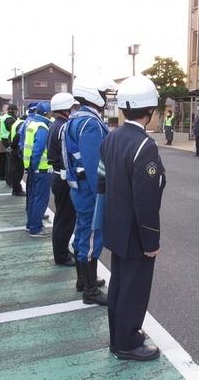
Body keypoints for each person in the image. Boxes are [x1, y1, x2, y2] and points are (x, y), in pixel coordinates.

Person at [98, 75, 166, 361]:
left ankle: (119, 338)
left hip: (115, 226)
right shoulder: (145, 146)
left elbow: (101, 180)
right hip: (136, 232)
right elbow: (147, 201)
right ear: (149, 110)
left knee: (119, 285)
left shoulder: (111, 137)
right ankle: (128, 343)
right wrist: (151, 240)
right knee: (134, 290)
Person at [62, 75, 113, 305]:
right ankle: (90, 291)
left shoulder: (74, 119)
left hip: (78, 187)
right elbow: (94, 167)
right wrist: (103, 195)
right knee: (92, 235)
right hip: (90, 189)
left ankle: (83, 280)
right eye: (102, 93)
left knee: (82, 233)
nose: (105, 97)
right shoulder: (90, 123)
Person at [47, 93, 78, 266]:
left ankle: (62, 252)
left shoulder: (55, 125)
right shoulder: (63, 127)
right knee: (65, 218)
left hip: (57, 176)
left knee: (62, 217)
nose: (74, 110)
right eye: (72, 107)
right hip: (63, 176)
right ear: (66, 109)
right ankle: (62, 255)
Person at [23, 102, 53, 237]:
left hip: (31, 167)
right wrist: (35, 165)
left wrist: (30, 167)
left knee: (32, 197)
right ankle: (36, 228)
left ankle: (30, 224)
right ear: (47, 113)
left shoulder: (31, 124)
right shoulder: (43, 127)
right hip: (41, 169)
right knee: (40, 199)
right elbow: (38, 150)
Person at [0, 104, 19, 185]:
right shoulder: (9, 119)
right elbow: (12, 128)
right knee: (11, 162)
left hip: (5, 139)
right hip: (8, 140)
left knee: (9, 161)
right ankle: (10, 180)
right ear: (14, 110)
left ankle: (9, 180)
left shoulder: (5, 117)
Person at [8, 114, 26, 196]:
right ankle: (17, 189)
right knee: (18, 171)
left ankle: (16, 188)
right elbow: (18, 136)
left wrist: (11, 146)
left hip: (15, 149)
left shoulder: (17, 122)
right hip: (18, 149)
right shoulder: (22, 124)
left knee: (16, 169)